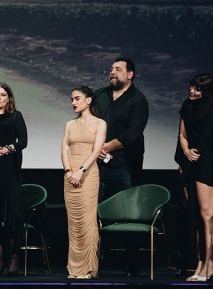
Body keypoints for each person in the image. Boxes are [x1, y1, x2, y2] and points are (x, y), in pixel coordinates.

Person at [92, 57, 148, 275]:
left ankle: (132, 266)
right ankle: (95, 262)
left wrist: (105, 147)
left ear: (130, 74)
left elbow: (133, 133)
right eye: (111, 69)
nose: (112, 72)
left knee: (127, 213)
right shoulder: (100, 95)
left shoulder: (138, 100)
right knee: (96, 213)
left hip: (125, 166)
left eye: (117, 69)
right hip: (98, 165)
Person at [175, 74, 213, 282]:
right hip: (192, 164)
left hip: (208, 165)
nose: (192, 91)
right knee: (197, 217)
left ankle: (210, 263)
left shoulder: (212, 113)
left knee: (208, 215)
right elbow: (182, 134)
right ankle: (200, 263)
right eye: (191, 86)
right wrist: (186, 151)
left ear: (206, 92)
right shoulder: (187, 106)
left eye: (197, 89)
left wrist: (194, 152)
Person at [61, 86, 108, 279]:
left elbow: (97, 151)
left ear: (88, 100)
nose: (73, 102)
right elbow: (64, 148)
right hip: (70, 177)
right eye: (72, 99)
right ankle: (75, 268)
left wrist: (80, 171)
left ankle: (88, 269)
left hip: (88, 175)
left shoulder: (100, 123)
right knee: (74, 223)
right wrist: (68, 171)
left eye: (77, 98)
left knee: (88, 221)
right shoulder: (69, 124)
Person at [0, 82, 28, 275]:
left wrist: (9, 148)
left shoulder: (15, 116)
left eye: (2, 94)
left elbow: (23, 141)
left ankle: (15, 259)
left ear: (9, 98)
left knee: (14, 218)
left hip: (11, 170)